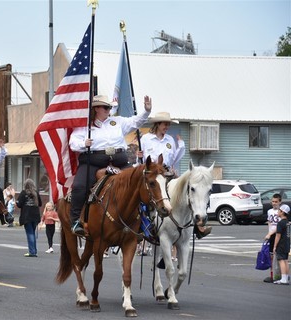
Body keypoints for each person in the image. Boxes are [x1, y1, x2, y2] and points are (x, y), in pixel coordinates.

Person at [68, 94, 152, 236]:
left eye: (109, 107)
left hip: (120, 160)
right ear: (96, 109)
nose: (109, 109)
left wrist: (147, 111)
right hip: (93, 161)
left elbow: (136, 122)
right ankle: (75, 221)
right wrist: (84, 143)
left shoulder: (117, 122)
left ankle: (144, 219)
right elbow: (72, 142)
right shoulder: (86, 126)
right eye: (106, 107)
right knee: (79, 186)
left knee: (142, 181)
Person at [138, 111, 211, 239]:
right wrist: (138, 157)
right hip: (152, 175)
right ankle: (142, 226)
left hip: (167, 173)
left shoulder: (170, 140)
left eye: (168, 125)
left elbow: (174, 159)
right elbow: (141, 160)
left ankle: (198, 226)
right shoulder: (145, 139)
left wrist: (181, 147)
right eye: (164, 124)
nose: (167, 127)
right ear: (157, 124)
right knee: (144, 200)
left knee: (187, 193)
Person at [16, 178, 42, 257]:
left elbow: (19, 204)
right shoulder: (36, 193)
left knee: (30, 233)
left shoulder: (23, 193)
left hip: (27, 216)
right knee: (32, 233)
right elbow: (40, 204)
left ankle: (32, 252)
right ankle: (34, 250)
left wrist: (16, 201)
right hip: (35, 215)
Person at [263, 193, 282, 283]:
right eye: (273, 201)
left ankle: (280, 275)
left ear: (280, 202)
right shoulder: (270, 211)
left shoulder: (281, 212)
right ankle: (272, 274)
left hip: (277, 235)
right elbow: (270, 223)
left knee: (278, 256)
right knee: (271, 255)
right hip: (271, 235)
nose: (274, 203)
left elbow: (279, 226)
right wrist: (268, 233)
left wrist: (270, 234)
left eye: (276, 202)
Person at [273, 204, 290, 285]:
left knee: (281, 260)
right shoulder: (288, 223)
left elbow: (278, 235)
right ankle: (286, 278)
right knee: (286, 260)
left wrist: (275, 246)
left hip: (281, 244)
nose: (278, 212)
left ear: (282, 212)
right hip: (287, 243)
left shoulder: (280, 223)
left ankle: (283, 279)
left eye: (279, 210)